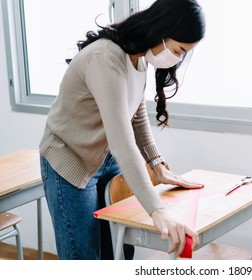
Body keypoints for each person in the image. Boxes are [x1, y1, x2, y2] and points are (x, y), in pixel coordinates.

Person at [39, 0, 206, 260]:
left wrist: (158, 165)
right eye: (178, 50)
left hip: (106, 158)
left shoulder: (138, 57)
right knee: (83, 258)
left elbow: (136, 116)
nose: (179, 58)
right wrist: (157, 211)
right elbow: (123, 141)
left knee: (119, 251)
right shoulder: (106, 58)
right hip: (70, 161)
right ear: (161, 30)